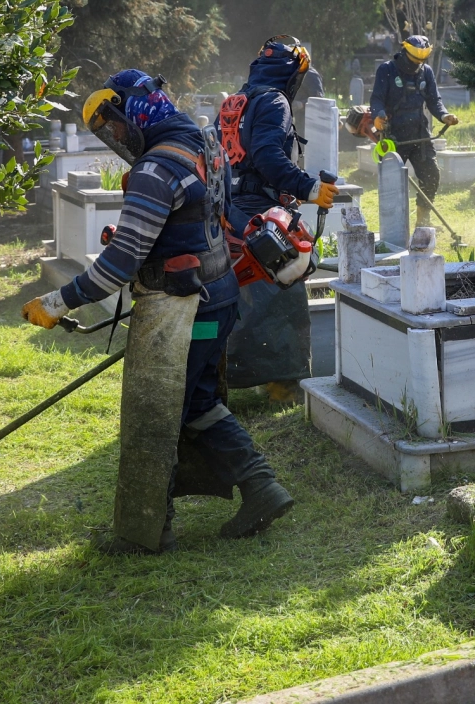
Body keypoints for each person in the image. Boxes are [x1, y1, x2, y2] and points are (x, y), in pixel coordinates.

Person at [21, 70, 293, 553]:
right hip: (219, 296)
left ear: (136, 110)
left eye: (115, 126)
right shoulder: (203, 142)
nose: (116, 138)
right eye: (106, 133)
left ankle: (150, 528)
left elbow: (117, 266)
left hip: (184, 308)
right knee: (195, 403)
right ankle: (258, 489)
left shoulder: (155, 169)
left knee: (158, 415)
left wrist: (55, 303)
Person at [221, 37, 336, 390]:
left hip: (232, 210)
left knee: (239, 293)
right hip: (262, 210)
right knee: (284, 285)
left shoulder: (235, 102)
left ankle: (231, 375)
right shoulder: (274, 100)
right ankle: (281, 386)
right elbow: (269, 155)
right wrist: (309, 188)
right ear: (292, 73)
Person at [369, 34, 457, 229]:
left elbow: (434, 101)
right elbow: (376, 99)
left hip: (419, 133)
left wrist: (444, 116)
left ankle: (422, 223)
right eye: (415, 59)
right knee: (393, 184)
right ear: (405, 52)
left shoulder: (426, 72)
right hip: (394, 136)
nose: (417, 63)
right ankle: (393, 228)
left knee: (431, 175)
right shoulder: (387, 70)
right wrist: (379, 115)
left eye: (421, 60)